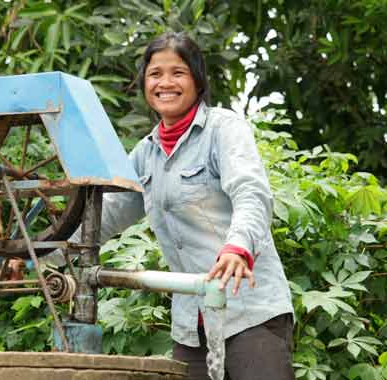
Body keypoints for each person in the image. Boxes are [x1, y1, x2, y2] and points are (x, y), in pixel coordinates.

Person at [92, 31, 295, 380]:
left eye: (178, 73)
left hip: (249, 313)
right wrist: (37, 253)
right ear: (144, 82)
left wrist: (237, 248)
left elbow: (251, 193)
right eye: (155, 74)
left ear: (197, 80)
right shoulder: (145, 153)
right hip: (191, 324)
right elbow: (105, 217)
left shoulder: (223, 129)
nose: (165, 83)